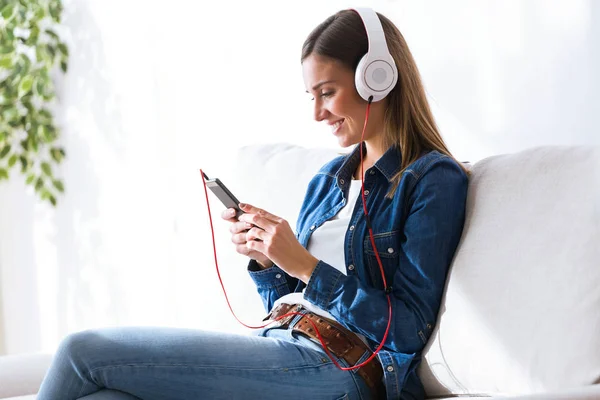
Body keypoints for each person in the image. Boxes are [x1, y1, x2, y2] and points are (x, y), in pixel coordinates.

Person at [37, 8, 468, 400]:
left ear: (377, 78)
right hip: (287, 344)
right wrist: (267, 262)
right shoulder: (327, 179)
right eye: (311, 96)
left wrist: (305, 266)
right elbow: (288, 305)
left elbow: (408, 328)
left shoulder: (431, 178)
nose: (317, 113)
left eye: (327, 92)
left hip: (347, 368)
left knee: (81, 351)